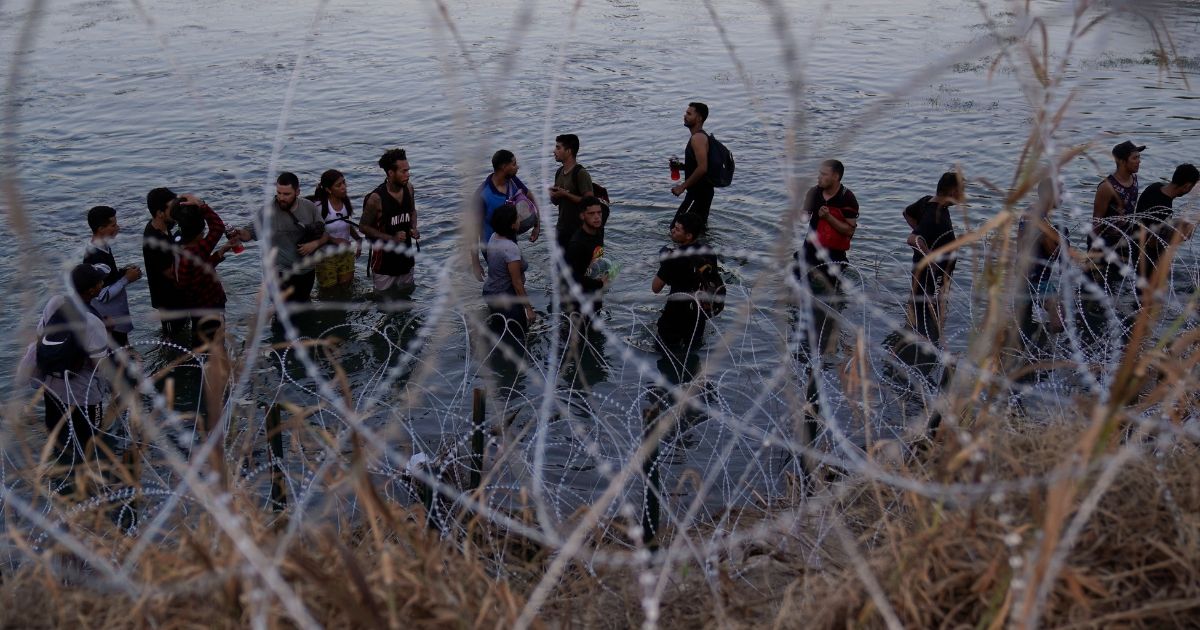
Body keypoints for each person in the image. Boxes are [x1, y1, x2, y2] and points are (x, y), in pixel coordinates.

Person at [17, 264, 111, 495]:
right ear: (92, 291)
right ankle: (88, 493)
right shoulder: (93, 321)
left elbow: (41, 337)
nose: (102, 284)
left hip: (52, 390)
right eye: (99, 282)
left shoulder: (55, 303)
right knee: (90, 442)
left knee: (58, 441)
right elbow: (100, 365)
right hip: (83, 396)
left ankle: (61, 488)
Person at [231, 172, 329, 302]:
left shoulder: (309, 207)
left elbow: (325, 234)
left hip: (306, 271)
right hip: (278, 272)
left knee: (303, 306)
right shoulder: (268, 211)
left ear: (297, 192)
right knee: (281, 312)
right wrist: (240, 234)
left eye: (286, 194)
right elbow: (250, 233)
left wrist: (314, 244)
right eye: (279, 193)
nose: (281, 198)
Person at [904, 171, 963, 344]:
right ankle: (924, 350)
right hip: (931, 277)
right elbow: (912, 239)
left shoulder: (927, 201)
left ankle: (911, 339)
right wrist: (929, 255)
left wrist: (922, 233)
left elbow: (907, 213)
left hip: (924, 272)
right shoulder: (935, 216)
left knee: (916, 309)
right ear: (952, 192)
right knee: (929, 318)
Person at [172, 196, 237, 345]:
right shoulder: (198, 249)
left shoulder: (178, 246)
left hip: (195, 306)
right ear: (200, 232)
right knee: (216, 343)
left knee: (200, 342)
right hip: (212, 305)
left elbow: (198, 272)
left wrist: (220, 253)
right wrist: (202, 205)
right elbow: (218, 227)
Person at [653, 212, 714, 351]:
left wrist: (664, 261)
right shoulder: (708, 251)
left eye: (677, 229)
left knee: (664, 356)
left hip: (674, 316)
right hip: (698, 316)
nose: (672, 230)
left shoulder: (674, 257)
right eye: (674, 226)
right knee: (692, 357)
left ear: (688, 236)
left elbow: (655, 287)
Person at [361, 149, 419, 294]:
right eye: (403, 171)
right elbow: (363, 227)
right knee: (383, 302)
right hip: (384, 263)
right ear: (391, 173)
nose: (408, 174)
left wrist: (413, 227)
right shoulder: (376, 198)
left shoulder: (409, 188)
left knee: (407, 296)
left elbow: (412, 211)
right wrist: (391, 238)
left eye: (408, 170)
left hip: (406, 258)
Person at [474, 150, 539, 279]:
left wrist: (537, 226)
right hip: (492, 248)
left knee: (519, 277)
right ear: (504, 167)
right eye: (514, 164)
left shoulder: (512, 180)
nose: (517, 167)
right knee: (509, 281)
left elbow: (531, 197)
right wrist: (475, 263)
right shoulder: (483, 195)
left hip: (511, 241)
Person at [1089, 140, 1144, 294]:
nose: (1139, 161)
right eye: (1135, 158)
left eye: (1139, 157)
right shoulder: (1107, 187)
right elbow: (1097, 220)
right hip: (1105, 241)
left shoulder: (1134, 179)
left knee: (1117, 283)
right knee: (1097, 285)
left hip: (1125, 239)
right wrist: (1094, 251)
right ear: (1121, 161)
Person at [798, 159, 859, 294]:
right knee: (799, 286)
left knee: (828, 292)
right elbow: (804, 218)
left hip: (834, 253)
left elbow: (849, 231)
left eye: (824, 174)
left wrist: (828, 218)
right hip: (810, 249)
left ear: (836, 176)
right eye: (819, 173)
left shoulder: (847, 198)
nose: (819, 177)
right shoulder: (814, 192)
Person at [84, 205, 143, 346]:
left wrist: (123, 272)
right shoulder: (95, 256)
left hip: (115, 320)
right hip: (110, 322)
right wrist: (127, 279)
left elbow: (108, 278)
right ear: (100, 229)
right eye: (113, 225)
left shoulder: (103, 247)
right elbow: (101, 295)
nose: (118, 228)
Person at [1017, 177, 1070, 334]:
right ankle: (1049, 351)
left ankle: (1029, 349)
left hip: (1023, 275)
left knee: (1022, 324)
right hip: (1037, 280)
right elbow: (1052, 252)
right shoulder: (1041, 220)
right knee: (1060, 319)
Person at [1133, 163, 1198, 286]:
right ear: (1187, 186)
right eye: (1191, 187)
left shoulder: (1155, 187)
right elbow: (1153, 242)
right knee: (1148, 297)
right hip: (1147, 257)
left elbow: (1150, 220)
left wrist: (1176, 223)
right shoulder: (1165, 209)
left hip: (1136, 244)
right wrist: (1181, 236)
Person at [482, 203, 535, 347]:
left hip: (490, 292)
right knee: (518, 337)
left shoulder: (494, 237)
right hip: (506, 298)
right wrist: (528, 309)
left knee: (500, 331)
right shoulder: (510, 249)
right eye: (517, 218)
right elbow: (517, 283)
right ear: (512, 225)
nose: (520, 220)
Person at [310, 169, 363, 293]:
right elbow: (314, 233)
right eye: (339, 185)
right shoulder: (319, 207)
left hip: (346, 254)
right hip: (325, 256)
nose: (344, 187)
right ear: (329, 189)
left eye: (344, 183)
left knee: (346, 289)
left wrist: (358, 239)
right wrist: (334, 240)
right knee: (329, 293)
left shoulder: (345, 202)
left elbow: (345, 224)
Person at [143, 187, 187, 335]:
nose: (175, 211)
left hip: (178, 295)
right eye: (171, 208)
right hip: (167, 300)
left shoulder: (167, 224)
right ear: (160, 213)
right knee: (174, 336)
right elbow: (170, 273)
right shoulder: (154, 240)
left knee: (183, 329)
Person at [670, 102, 715, 233]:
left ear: (699, 118)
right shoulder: (699, 137)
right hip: (701, 192)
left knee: (676, 229)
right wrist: (681, 167)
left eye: (689, 114)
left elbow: (702, 168)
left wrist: (681, 187)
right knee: (697, 231)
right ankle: (702, 251)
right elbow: (699, 165)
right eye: (685, 113)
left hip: (699, 193)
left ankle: (686, 252)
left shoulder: (698, 138)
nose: (685, 116)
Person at [549, 134, 594, 250]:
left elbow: (590, 202)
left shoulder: (581, 173)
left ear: (568, 151)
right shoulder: (559, 172)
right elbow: (556, 202)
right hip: (562, 229)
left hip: (579, 230)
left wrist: (565, 194)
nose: (554, 151)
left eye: (558, 148)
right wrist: (553, 195)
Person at [564, 196, 607, 313]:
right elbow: (572, 278)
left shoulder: (598, 231)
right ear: (582, 216)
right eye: (591, 213)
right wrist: (600, 283)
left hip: (595, 293)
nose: (597, 217)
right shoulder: (577, 244)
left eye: (599, 213)